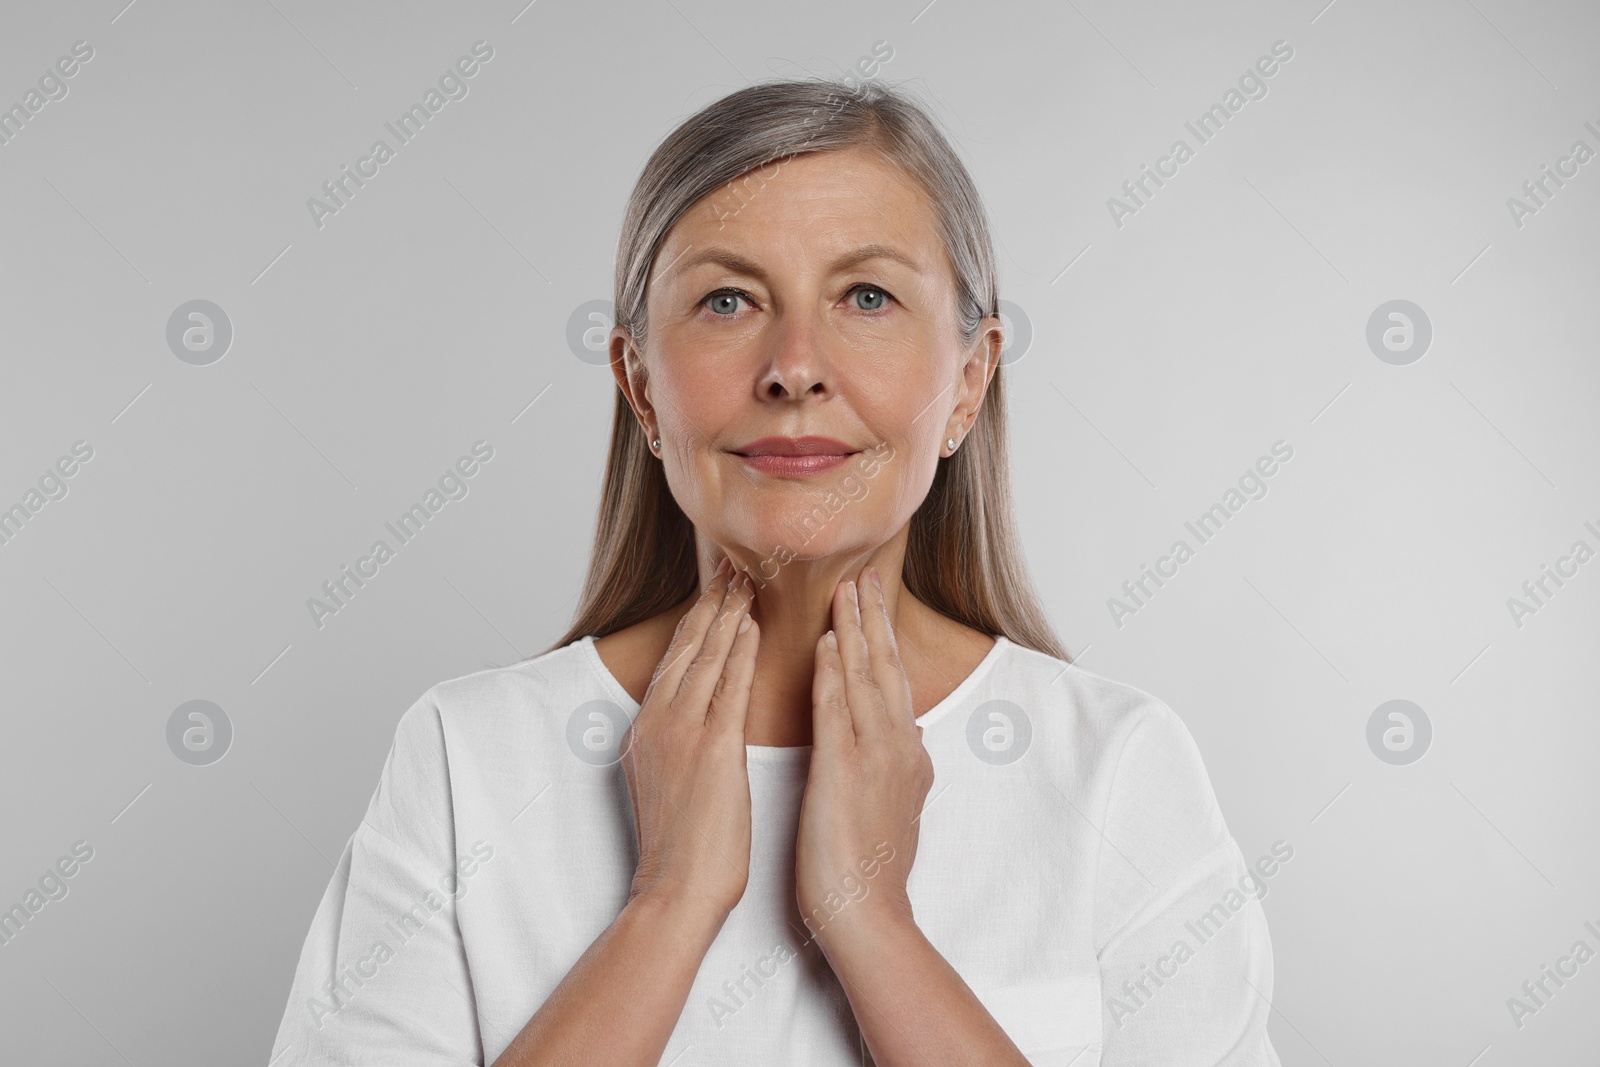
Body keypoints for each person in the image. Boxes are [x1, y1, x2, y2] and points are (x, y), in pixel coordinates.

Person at [269, 77, 1280, 1066]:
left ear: (968, 380)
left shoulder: (1116, 767)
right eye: (727, 299)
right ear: (641, 387)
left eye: (867, 295)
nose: (794, 365)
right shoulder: (464, 758)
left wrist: (872, 921)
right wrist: (667, 903)